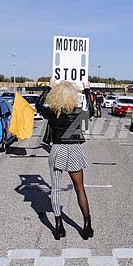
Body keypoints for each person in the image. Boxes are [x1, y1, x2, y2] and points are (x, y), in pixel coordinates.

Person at [36, 80, 95, 240]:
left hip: (57, 149)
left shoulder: (52, 113)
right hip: (74, 148)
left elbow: (38, 104)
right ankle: (87, 225)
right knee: (80, 188)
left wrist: (49, 87)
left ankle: (58, 227)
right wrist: (87, 90)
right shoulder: (78, 113)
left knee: (55, 189)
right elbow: (91, 111)